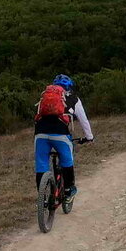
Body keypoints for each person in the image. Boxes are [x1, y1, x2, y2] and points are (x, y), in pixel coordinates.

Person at [34, 74, 93, 202]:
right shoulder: (73, 98)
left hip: (40, 133)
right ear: (69, 87)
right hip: (60, 133)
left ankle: (42, 198)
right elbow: (84, 120)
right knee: (67, 160)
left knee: (41, 164)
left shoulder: (44, 96)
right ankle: (68, 190)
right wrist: (89, 137)